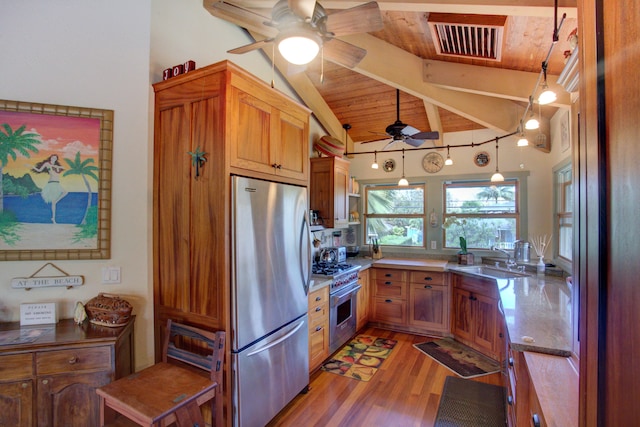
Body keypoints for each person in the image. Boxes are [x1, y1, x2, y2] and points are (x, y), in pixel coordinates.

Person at [32, 154, 68, 223]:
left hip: (57, 183)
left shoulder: (57, 166)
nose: (53, 158)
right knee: (53, 203)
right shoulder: (47, 164)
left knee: (65, 192)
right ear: (50, 157)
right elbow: (39, 170)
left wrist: (56, 166)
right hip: (51, 184)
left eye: (55, 158)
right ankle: (53, 218)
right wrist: (32, 166)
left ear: (56, 159)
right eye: (52, 157)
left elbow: (63, 167)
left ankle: (55, 205)